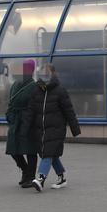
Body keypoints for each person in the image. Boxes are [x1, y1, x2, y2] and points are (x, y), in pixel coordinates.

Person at [29, 64, 81, 192]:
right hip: (41, 130)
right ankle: (62, 178)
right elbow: (31, 110)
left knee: (47, 153)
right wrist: (26, 128)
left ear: (53, 74)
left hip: (56, 129)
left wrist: (75, 129)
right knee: (51, 155)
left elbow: (69, 110)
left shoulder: (60, 90)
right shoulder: (36, 90)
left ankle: (40, 179)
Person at [5, 59, 38, 188]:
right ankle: (25, 170)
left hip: (29, 122)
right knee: (13, 150)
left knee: (31, 150)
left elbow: (36, 107)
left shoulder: (34, 86)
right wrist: (10, 116)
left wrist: (30, 121)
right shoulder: (15, 85)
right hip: (15, 122)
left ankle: (30, 177)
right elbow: (11, 103)